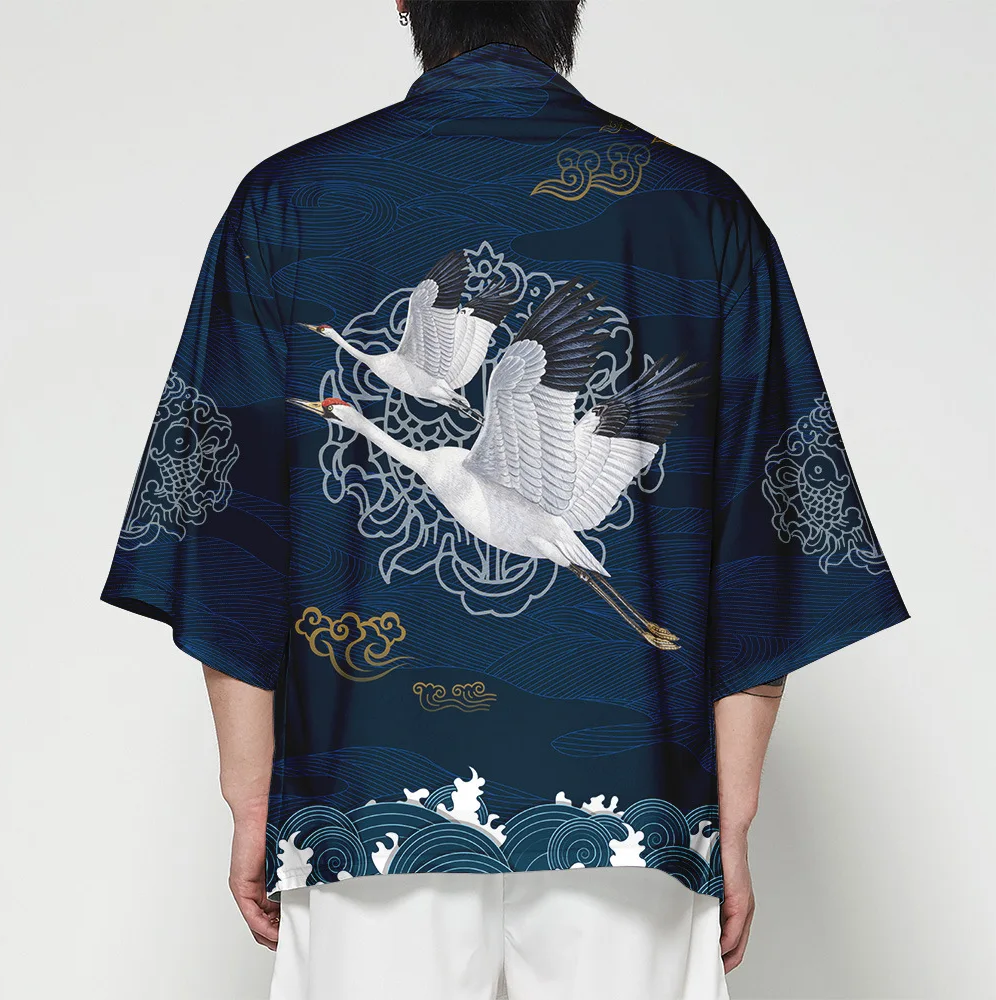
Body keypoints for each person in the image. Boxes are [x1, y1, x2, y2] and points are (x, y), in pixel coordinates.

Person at [100, 2, 910, 997]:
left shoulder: (285, 204)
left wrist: (251, 796)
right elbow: (765, 545)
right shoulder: (702, 210)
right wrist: (726, 818)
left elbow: (225, 538)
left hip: (366, 812)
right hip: (635, 818)